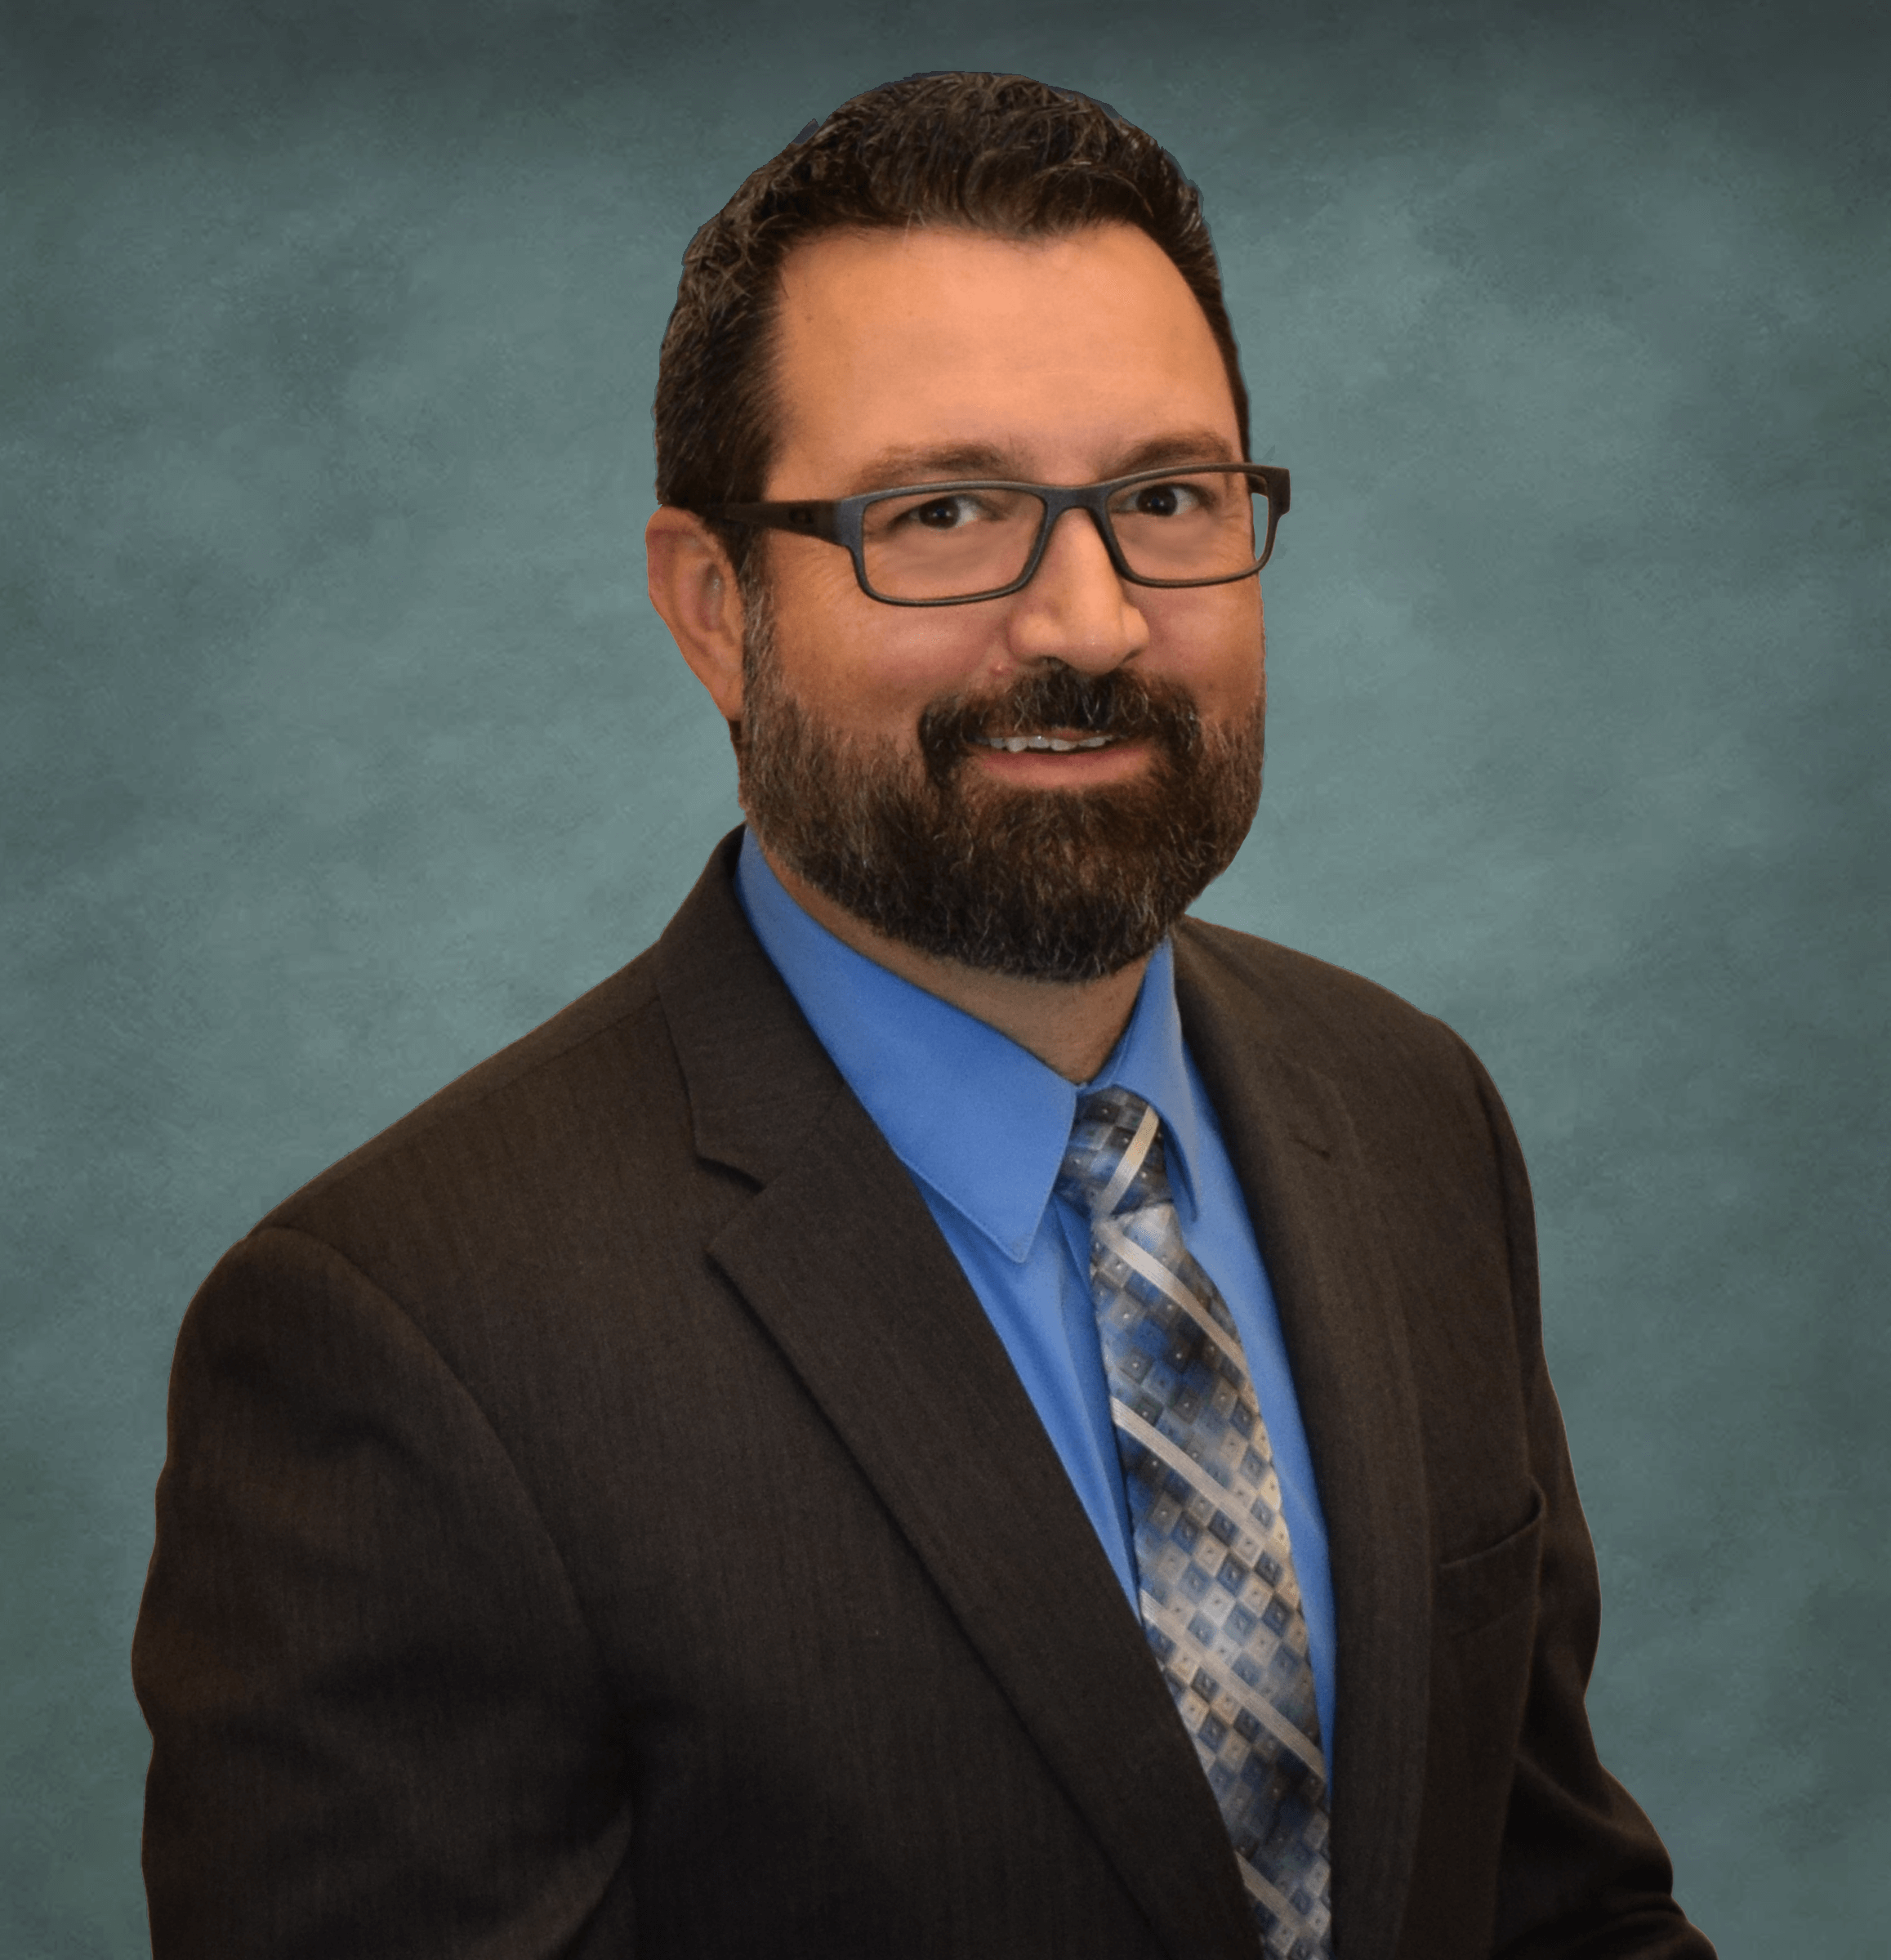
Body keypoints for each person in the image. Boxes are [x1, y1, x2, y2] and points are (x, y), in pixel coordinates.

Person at [133, 72, 1716, 1960]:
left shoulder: (1408, 1115)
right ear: (714, 608)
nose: (1090, 622)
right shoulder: (398, 1342)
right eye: (944, 510)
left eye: (1163, 497)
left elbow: (1550, 1908)